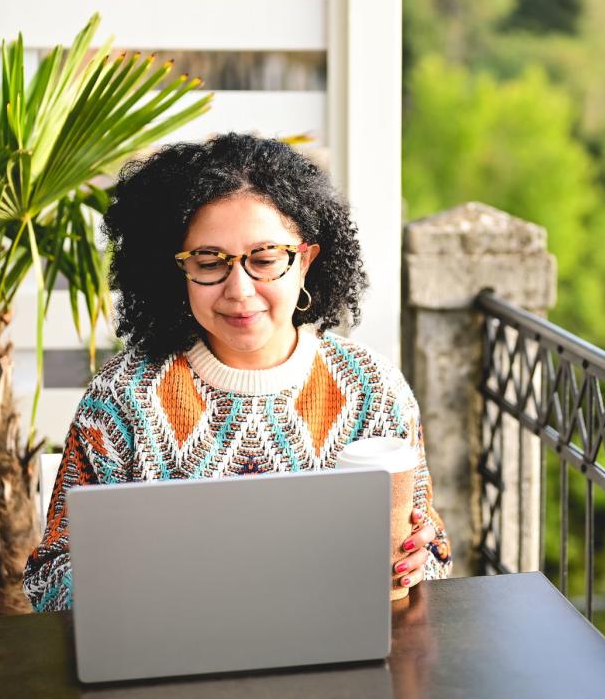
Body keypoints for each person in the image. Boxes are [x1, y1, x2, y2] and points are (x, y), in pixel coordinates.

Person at [23, 133, 451, 611]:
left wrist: (418, 559)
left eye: (265, 260)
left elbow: (432, 549)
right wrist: (127, 596)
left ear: (305, 261)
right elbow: (51, 573)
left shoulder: (372, 388)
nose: (239, 290)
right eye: (209, 262)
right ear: (176, 270)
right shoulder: (122, 398)